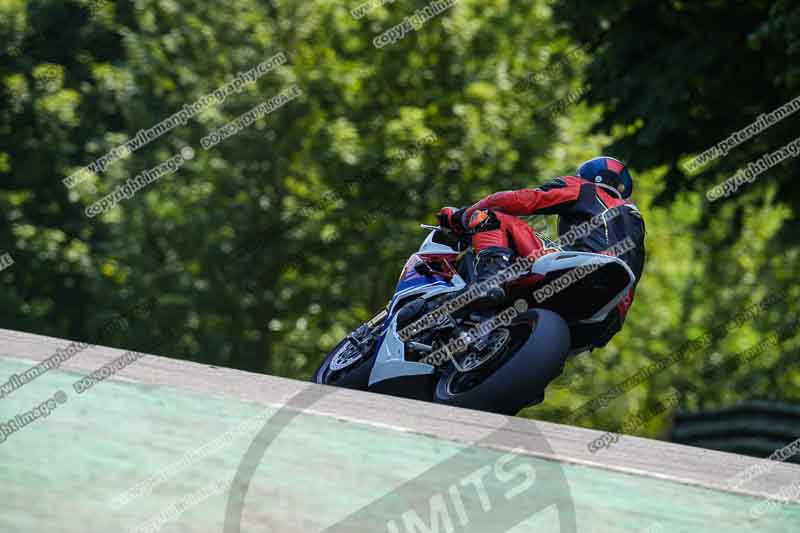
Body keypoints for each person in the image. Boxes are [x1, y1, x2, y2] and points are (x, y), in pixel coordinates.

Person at [438, 156, 646, 350]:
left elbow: (522, 200)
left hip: (584, 270)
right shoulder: (635, 219)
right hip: (608, 319)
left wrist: (461, 216)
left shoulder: (585, 188)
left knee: (491, 218)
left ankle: (489, 282)